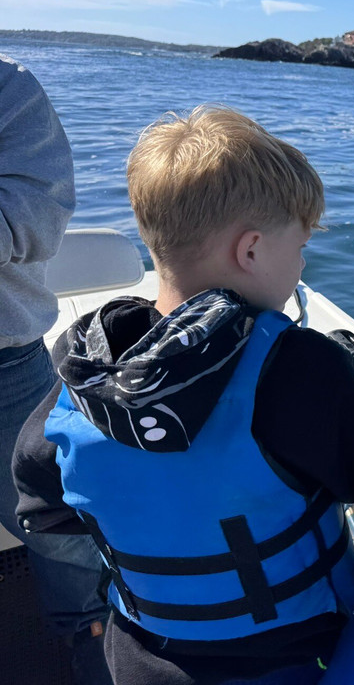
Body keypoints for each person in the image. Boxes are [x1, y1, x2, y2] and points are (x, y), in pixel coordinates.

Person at [14, 105, 354, 685]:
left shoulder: (89, 362)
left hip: (141, 656)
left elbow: (40, 498)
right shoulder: (297, 364)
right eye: (299, 248)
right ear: (250, 251)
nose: (300, 266)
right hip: (291, 656)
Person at [0, 53, 111, 681]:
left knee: (64, 537)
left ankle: (96, 651)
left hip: (6, 365)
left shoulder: (8, 87)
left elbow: (35, 215)